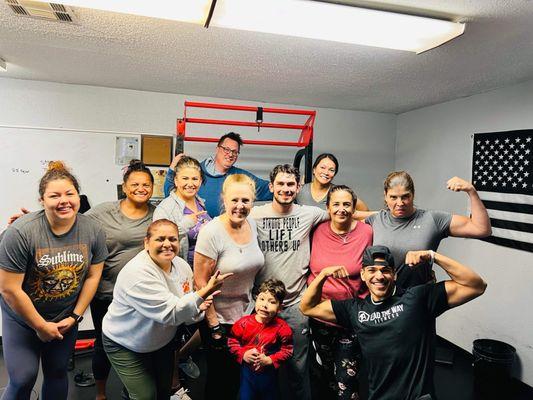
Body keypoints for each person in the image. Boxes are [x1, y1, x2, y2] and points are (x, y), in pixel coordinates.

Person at [300, 245, 487, 400]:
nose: (379, 276)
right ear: (363, 275)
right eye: (372, 270)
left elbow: (476, 286)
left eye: (385, 271)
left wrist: (434, 256)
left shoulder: (417, 298)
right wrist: (323, 275)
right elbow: (308, 307)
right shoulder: (354, 309)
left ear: (394, 275)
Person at [0, 161, 108, 400]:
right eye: (54, 195)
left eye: (70, 193)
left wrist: (75, 316)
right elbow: (9, 289)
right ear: (42, 200)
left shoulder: (93, 230)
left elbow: (93, 275)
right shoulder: (20, 232)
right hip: (21, 318)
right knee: (23, 377)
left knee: (57, 372)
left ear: (79, 196)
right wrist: (40, 326)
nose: (64, 201)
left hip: (64, 317)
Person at [102, 219, 231, 400]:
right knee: (146, 396)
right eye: (160, 239)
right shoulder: (138, 273)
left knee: (164, 392)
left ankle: (130, 392)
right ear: (146, 243)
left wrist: (198, 308)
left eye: (173, 239)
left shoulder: (181, 266)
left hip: (161, 341)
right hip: (126, 343)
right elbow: (171, 313)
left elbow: (186, 313)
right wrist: (203, 292)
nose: (167, 244)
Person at [250, 164, 330, 400]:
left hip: (296, 304)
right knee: (259, 365)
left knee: (297, 366)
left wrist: (387, 214)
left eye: (290, 184)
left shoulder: (310, 213)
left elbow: (344, 212)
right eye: (281, 184)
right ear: (271, 186)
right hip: (261, 304)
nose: (285, 189)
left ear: (297, 187)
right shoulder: (254, 215)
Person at [82, 159, 156, 400]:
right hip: (107, 292)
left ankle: (130, 390)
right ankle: (101, 394)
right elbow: (72, 221)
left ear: (152, 188)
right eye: (135, 184)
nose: (141, 188)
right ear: (124, 187)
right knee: (104, 345)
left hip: (142, 295)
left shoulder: (158, 213)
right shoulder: (102, 212)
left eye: (146, 184)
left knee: (140, 345)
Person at [194, 174, 265, 399]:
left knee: (239, 377)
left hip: (246, 315)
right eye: (234, 200)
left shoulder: (252, 224)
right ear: (224, 199)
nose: (240, 206)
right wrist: (214, 326)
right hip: (219, 319)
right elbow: (201, 281)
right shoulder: (212, 232)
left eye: (246, 201)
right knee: (219, 380)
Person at [365, 171, 491, 289]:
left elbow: (481, 229)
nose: (400, 203)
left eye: (405, 197)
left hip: (418, 298)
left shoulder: (432, 219)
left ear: (413, 195)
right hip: (382, 298)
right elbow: (349, 214)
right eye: (393, 197)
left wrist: (471, 191)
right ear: (385, 196)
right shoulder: (375, 220)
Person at [307, 185, 373, 399]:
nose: (341, 209)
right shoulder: (317, 230)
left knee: (346, 379)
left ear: (354, 208)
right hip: (320, 314)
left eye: (347, 204)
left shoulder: (366, 232)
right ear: (327, 207)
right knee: (324, 373)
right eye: (336, 204)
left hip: (350, 317)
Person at [163, 132, 272, 217]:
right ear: (217, 149)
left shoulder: (241, 178)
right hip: (193, 237)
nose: (230, 154)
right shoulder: (195, 172)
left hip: (227, 237)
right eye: (226, 149)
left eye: (235, 152)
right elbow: (170, 195)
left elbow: (270, 189)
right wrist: (172, 170)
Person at [228, 279, 293, 400]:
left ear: (280, 307)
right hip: (247, 377)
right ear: (256, 300)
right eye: (261, 299)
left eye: (272, 301)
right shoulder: (243, 323)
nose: (264, 305)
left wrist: (270, 360)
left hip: (269, 378)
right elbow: (231, 341)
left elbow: (288, 350)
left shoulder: (283, 328)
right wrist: (243, 354)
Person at [154, 155, 211, 266]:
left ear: (200, 181)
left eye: (195, 179)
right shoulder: (166, 208)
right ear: (176, 180)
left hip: (204, 269)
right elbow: (158, 243)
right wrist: (185, 224)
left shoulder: (200, 202)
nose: (190, 184)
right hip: (182, 272)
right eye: (185, 178)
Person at [296, 153, 369, 211]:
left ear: (334, 174)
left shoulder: (338, 192)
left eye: (331, 170)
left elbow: (364, 210)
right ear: (314, 170)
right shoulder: (300, 190)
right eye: (322, 167)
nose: (326, 172)